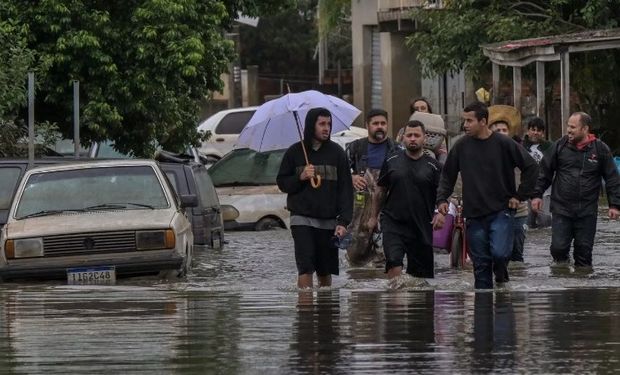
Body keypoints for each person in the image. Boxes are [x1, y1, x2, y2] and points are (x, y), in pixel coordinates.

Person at [436, 102, 538, 289]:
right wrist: (442, 199)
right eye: (464, 120)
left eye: (469, 121)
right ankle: (483, 310)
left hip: (501, 211)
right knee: (481, 266)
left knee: (499, 254)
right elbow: (447, 175)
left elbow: (531, 167)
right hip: (474, 214)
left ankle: (501, 281)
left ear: (483, 121)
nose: (465, 125)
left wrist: (519, 195)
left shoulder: (504, 143)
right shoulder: (461, 146)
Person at [276, 107, 353, 288]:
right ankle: (305, 312)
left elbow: (345, 190)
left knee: (325, 270)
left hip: (328, 221)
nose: (326, 128)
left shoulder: (337, 154)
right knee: (306, 267)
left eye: (329, 124)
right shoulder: (294, 152)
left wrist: (344, 221)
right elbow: (282, 183)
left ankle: (326, 312)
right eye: (322, 124)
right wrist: (300, 177)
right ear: (312, 125)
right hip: (301, 218)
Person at [531, 111, 620, 268]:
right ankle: (562, 273)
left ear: (585, 129)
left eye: (573, 127)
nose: (569, 130)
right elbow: (544, 172)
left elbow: (612, 178)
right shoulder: (559, 146)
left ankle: (582, 287)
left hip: (587, 210)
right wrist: (537, 195)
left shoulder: (600, 149)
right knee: (558, 249)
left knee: (584, 255)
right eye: (568, 126)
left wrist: (614, 205)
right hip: (561, 208)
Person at [367, 120, 444, 281]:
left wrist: (440, 213)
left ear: (424, 139)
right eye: (409, 135)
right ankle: (395, 302)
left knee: (421, 280)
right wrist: (373, 217)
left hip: (421, 225)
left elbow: (443, 193)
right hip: (393, 222)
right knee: (394, 262)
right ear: (403, 138)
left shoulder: (434, 166)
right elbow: (380, 190)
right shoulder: (391, 160)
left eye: (417, 135)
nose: (413, 138)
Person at [345, 109, 398, 265]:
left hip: (388, 211)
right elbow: (339, 174)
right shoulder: (354, 148)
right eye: (375, 124)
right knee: (355, 259)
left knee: (387, 258)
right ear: (366, 125)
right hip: (359, 212)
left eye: (383, 123)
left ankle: (385, 288)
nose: (380, 127)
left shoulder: (397, 149)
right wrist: (352, 177)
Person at [488, 105, 529, 265]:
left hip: (518, 209)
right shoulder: (483, 152)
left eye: (504, 130)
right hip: (492, 210)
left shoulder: (518, 151)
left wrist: (519, 195)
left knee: (516, 255)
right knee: (496, 252)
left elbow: (528, 174)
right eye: (497, 130)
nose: (501, 133)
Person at [522, 116, 553, 228]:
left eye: (538, 130)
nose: (535, 133)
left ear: (543, 133)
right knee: (526, 223)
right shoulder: (520, 147)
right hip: (526, 189)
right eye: (533, 129)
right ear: (528, 130)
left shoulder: (550, 147)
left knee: (545, 221)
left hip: (545, 190)